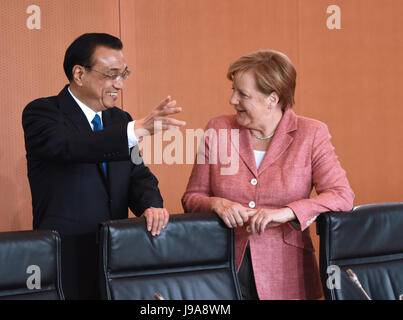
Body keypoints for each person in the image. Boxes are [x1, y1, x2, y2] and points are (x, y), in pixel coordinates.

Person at [22, 33, 185, 299]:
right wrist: (135, 130)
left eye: (124, 74)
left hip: (118, 254)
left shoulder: (119, 119)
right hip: (66, 256)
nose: (119, 84)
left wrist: (151, 205)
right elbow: (71, 146)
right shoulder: (42, 113)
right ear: (79, 73)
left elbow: (137, 174)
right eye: (111, 74)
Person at [182, 50, 354, 300]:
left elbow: (342, 196)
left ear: (272, 98)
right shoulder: (217, 128)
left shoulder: (311, 133)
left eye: (243, 94)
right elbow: (192, 197)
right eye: (233, 90)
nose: (232, 100)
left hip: (287, 272)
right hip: (221, 267)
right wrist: (216, 204)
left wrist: (289, 212)